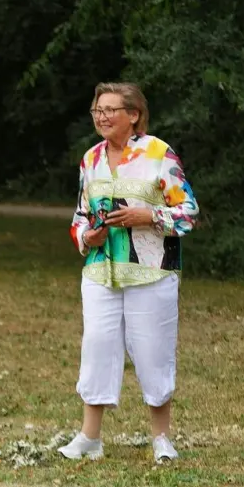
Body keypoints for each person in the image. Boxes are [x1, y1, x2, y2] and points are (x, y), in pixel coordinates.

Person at [59, 82, 198, 463]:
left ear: (133, 115)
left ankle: (162, 439)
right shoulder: (91, 159)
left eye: (110, 110)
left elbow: (188, 213)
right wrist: (88, 235)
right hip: (100, 273)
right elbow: (80, 216)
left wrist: (148, 215)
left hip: (151, 273)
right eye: (97, 110)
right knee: (97, 348)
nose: (101, 117)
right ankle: (90, 438)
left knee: (153, 352)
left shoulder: (159, 154)